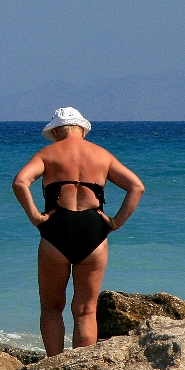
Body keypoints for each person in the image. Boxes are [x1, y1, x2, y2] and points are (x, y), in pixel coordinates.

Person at [12, 107, 144, 356]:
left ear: (56, 131)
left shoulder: (47, 154)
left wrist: (34, 217)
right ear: (82, 129)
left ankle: (54, 366)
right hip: (93, 231)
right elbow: (136, 186)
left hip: (56, 230)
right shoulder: (102, 155)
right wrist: (115, 222)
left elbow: (20, 182)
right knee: (86, 310)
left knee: (52, 307)